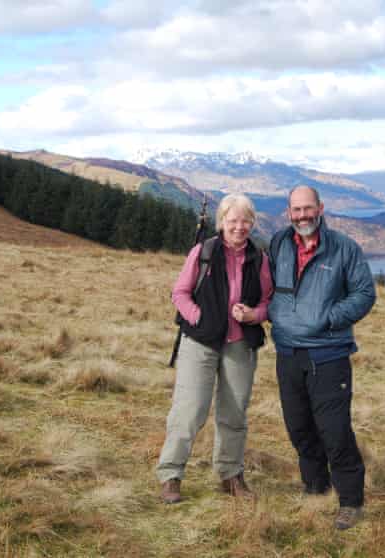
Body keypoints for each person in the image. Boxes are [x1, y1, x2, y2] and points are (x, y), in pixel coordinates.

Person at [267, 186, 376, 530]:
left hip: (328, 356)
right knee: (299, 428)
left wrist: (329, 317)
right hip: (288, 353)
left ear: (321, 208)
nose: (302, 216)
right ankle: (315, 488)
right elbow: (266, 287)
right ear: (288, 212)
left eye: (308, 209)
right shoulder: (278, 245)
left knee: (335, 430)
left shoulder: (343, 248)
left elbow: (364, 294)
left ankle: (350, 502)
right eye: (296, 210)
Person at [157, 193, 273, 504]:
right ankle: (171, 474)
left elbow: (268, 301)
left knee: (234, 414)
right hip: (200, 342)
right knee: (190, 409)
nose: (239, 227)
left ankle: (230, 475)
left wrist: (254, 315)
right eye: (233, 220)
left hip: (240, 345)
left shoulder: (259, 259)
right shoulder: (204, 251)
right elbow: (180, 293)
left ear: (252, 223)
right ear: (222, 222)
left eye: (245, 220)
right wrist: (199, 318)